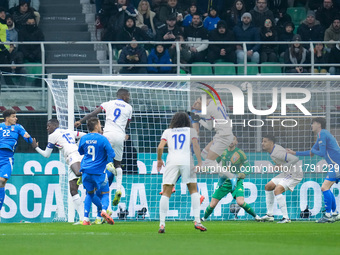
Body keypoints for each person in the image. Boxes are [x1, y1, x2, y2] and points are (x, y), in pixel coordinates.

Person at [75, 88, 132, 207]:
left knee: (95, 155)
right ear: (125, 96)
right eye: (129, 96)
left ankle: (83, 173)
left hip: (107, 135)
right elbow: (127, 124)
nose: (129, 98)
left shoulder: (108, 103)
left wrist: (81, 121)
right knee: (118, 164)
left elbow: (92, 114)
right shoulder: (129, 107)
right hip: (120, 136)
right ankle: (118, 188)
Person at [156, 112, 206, 233]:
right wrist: (199, 161)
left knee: (166, 191)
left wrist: (159, 159)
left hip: (172, 160)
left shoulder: (168, 131)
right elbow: (195, 145)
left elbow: (160, 147)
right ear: (187, 121)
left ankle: (162, 224)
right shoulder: (191, 131)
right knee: (194, 190)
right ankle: (197, 221)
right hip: (186, 160)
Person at [31, 119, 86, 224]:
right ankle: (83, 219)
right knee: (73, 190)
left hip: (73, 155)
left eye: (48, 126)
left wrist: (36, 147)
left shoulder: (53, 136)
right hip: (73, 157)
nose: (47, 128)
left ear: (54, 125)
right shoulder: (68, 131)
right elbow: (85, 135)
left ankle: (93, 173)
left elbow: (47, 154)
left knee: (79, 173)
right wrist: (78, 145)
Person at [287, 117, 340, 223]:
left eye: (313, 123)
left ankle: (328, 215)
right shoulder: (322, 134)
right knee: (327, 188)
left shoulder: (322, 134)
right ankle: (334, 213)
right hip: (335, 165)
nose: (311, 125)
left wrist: (313, 150)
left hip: (336, 165)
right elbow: (312, 152)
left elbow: (321, 153)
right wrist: (295, 153)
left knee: (324, 187)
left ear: (318, 124)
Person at [201, 136, 261, 222]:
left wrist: (243, 173)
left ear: (236, 142)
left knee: (240, 202)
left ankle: (256, 217)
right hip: (224, 181)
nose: (231, 141)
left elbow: (249, 168)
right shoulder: (222, 152)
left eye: (233, 139)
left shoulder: (240, 153)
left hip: (236, 181)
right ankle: (203, 219)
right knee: (212, 204)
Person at [191, 92, 239, 190]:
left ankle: (232, 177)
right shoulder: (219, 103)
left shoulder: (208, 109)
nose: (199, 105)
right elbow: (211, 123)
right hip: (223, 134)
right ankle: (222, 170)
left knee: (208, 162)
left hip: (223, 136)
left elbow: (208, 126)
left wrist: (198, 118)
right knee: (204, 153)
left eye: (199, 103)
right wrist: (199, 116)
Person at [78, 117, 116, 225]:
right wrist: (108, 160)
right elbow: (112, 154)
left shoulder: (84, 138)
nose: (101, 126)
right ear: (96, 126)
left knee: (89, 194)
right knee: (105, 192)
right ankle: (104, 210)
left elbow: (80, 152)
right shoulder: (103, 139)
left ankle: (85, 218)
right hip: (99, 172)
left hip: (85, 171)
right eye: (100, 124)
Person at [260, 134, 302, 223]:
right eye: (262, 141)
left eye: (265, 141)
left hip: (295, 174)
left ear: (271, 143)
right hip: (287, 172)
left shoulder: (277, 152)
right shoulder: (273, 150)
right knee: (268, 186)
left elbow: (295, 159)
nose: (262, 143)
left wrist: (283, 166)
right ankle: (269, 215)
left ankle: (286, 218)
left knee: (277, 190)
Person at [0, 109, 33, 222]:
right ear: (7, 118)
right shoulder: (0, 126)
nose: (16, 118)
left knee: (2, 181)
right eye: (14, 116)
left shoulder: (18, 127)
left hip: (7, 158)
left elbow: (28, 139)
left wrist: (28, 137)